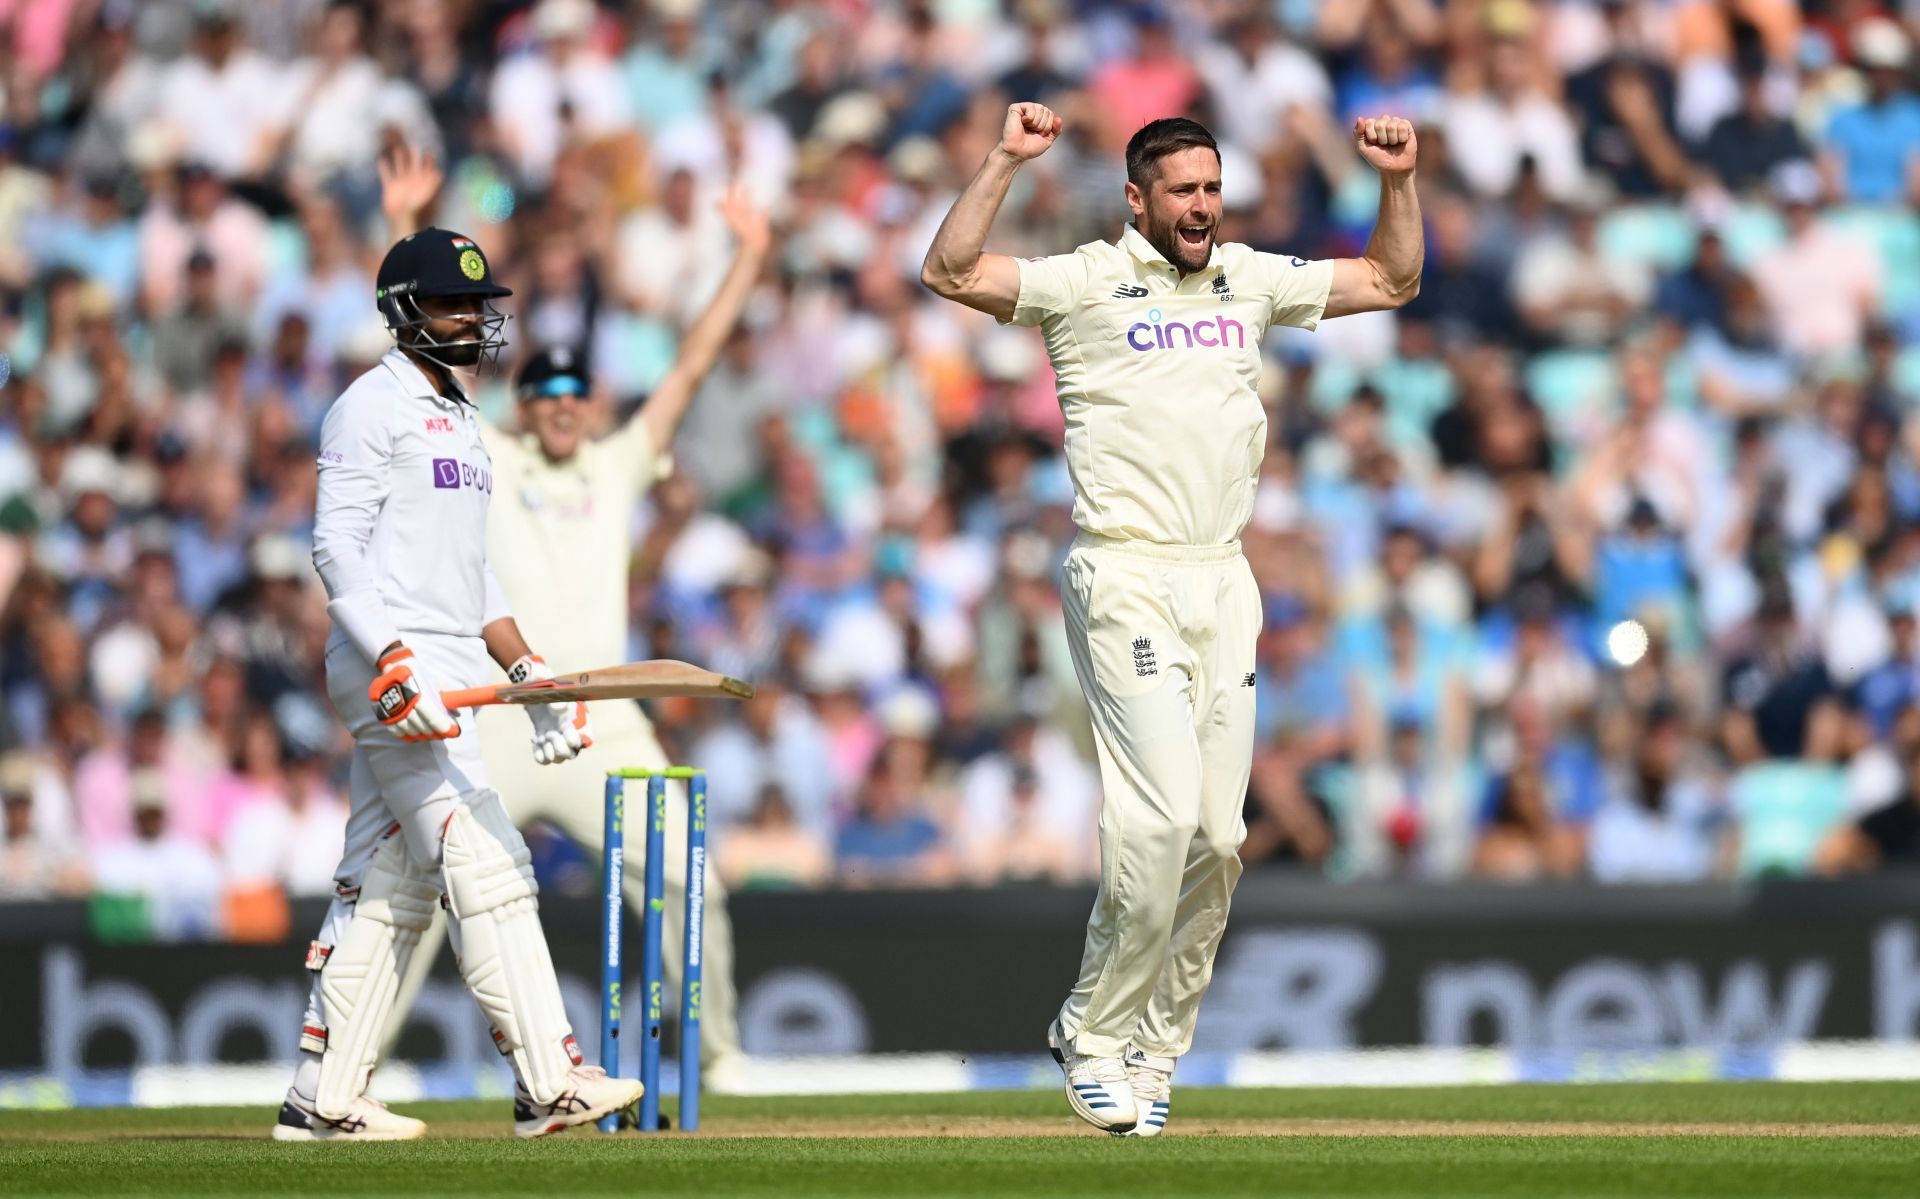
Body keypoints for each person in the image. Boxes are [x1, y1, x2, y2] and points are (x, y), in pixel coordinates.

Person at [920, 102, 1422, 1135]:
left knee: (1218, 836)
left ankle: (1154, 1042)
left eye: (1212, 187)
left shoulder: (1248, 276)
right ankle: (1093, 1029)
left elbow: (1392, 279)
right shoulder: (1084, 281)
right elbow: (952, 271)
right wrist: (1005, 162)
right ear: (1137, 199)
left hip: (1222, 577)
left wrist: (1399, 181)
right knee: (1153, 819)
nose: (1203, 206)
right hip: (1127, 572)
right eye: (1184, 191)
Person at [376, 144, 770, 1091]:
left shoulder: (620, 460)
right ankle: (361, 1067)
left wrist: (750, 254)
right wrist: (408, 229)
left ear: (592, 407)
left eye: (572, 393)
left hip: (603, 716)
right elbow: (424, 353)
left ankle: (717, 1056)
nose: (559, 406)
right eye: (542, 393)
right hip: (502, 709)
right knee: (422, 889)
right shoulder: (490, 454)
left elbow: (695, 360)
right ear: (523, 406)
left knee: (691, 878)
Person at [283, 222, 642, 1142]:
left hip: (445, 663)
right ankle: (550, 1083)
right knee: (487, 863)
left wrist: (525, 667)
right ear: (405, 313)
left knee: (389, 881)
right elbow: (335, 546)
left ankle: (322, 1100)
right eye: (453, 303)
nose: (475, 318)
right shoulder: (372, 404)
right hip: (391, 669)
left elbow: (470, 573)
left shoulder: (462, 418)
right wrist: (390, 660)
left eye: (480, 304)